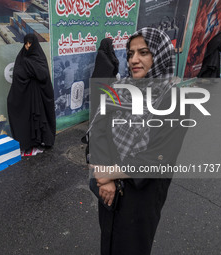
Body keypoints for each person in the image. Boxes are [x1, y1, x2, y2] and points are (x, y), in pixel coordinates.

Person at [88, 28, 190, 255]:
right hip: (108, 188)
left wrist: (110, 174)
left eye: (143, 52)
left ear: (161, 55)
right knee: (108, 238)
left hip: (140, 196)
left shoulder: (176, 100)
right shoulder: (119, 88)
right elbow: (98, 130)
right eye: (130, 53)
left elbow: (159, 157)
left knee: (131, 245)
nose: (134, 60)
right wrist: (105, 180)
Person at [7, 34, 56, 152]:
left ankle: (42, 141)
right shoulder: (21, 57)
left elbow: (43, 75)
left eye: (30, 43)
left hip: (39, 95)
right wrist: (29, 69)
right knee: (27, 118)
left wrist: (28, 65)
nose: (28, 46)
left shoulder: (39, 57)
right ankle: (29, 143)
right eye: (26, 43)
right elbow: (18, 75)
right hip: (27, 95)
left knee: (40, 119)